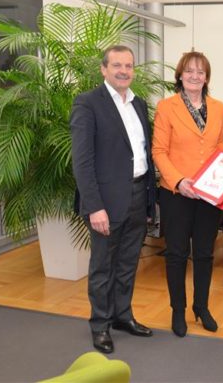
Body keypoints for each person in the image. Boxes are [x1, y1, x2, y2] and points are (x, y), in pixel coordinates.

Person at [71, 45, 157, 354]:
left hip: (137, 195)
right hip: (105, 202)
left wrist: (149, 200)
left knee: (128, 262)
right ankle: (100, 325)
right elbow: (82, 161)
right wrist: (95, 206)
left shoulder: (139, 104)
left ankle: (123, 316)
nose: (124, 71)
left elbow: (143, 154)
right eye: (117, 65)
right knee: (103, 266)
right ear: (104, 69)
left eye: (129, 66)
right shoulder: (88, 103)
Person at [152, 51, 223, 337]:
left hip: (209, 193)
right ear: (180, 75)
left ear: (206, 77)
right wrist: (179, 181)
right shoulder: (166, 107)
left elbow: (219, 145)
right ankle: (177, 310)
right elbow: (158, 151)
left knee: (206, 253)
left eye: (201, 72)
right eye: (189, 71)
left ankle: (202, 306)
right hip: (177, 193)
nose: (195, 76)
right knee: (176, 253)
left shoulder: (218, 107)